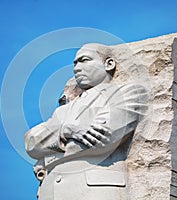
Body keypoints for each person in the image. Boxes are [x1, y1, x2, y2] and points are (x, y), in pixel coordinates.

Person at [25, 43, 148, 200]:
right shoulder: (62, 111)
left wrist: (48, 155)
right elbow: (30, 143)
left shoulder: (127, 93)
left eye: (84, 60)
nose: (76, 68)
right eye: (75, 63)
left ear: (109, 64)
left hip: (95, 189)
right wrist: (65, 131)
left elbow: (102, 139)